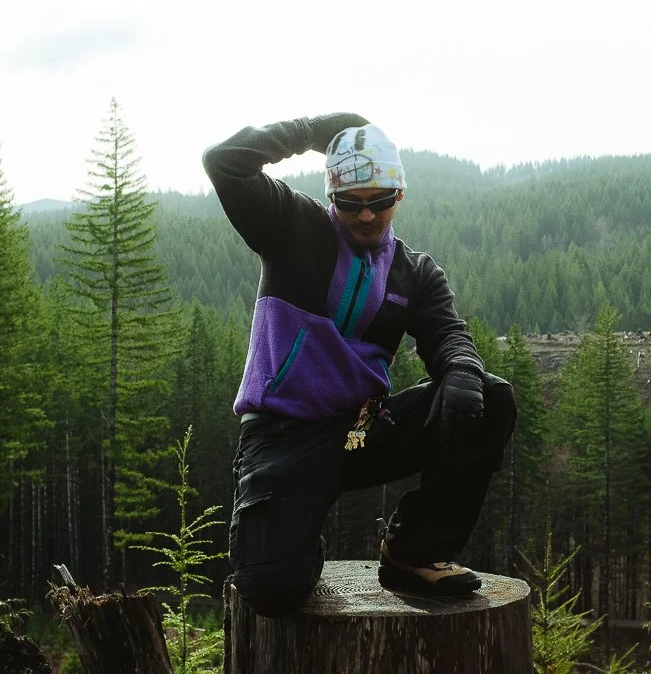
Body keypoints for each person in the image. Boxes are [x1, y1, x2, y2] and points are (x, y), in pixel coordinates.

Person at [202, 113, 516, 618]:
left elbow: (449, 335)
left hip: (361, 432)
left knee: (491, 396)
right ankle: (294, 534)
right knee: (272, 591)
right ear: (332, 199)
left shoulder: (415, 272)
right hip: (282, 436)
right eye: (350, 203)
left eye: (380, 202)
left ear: (400, 196)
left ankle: (413, 551)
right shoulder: (293, 229)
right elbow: (225, 163)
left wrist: (460, 370)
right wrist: (314, 132)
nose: (366, 217)